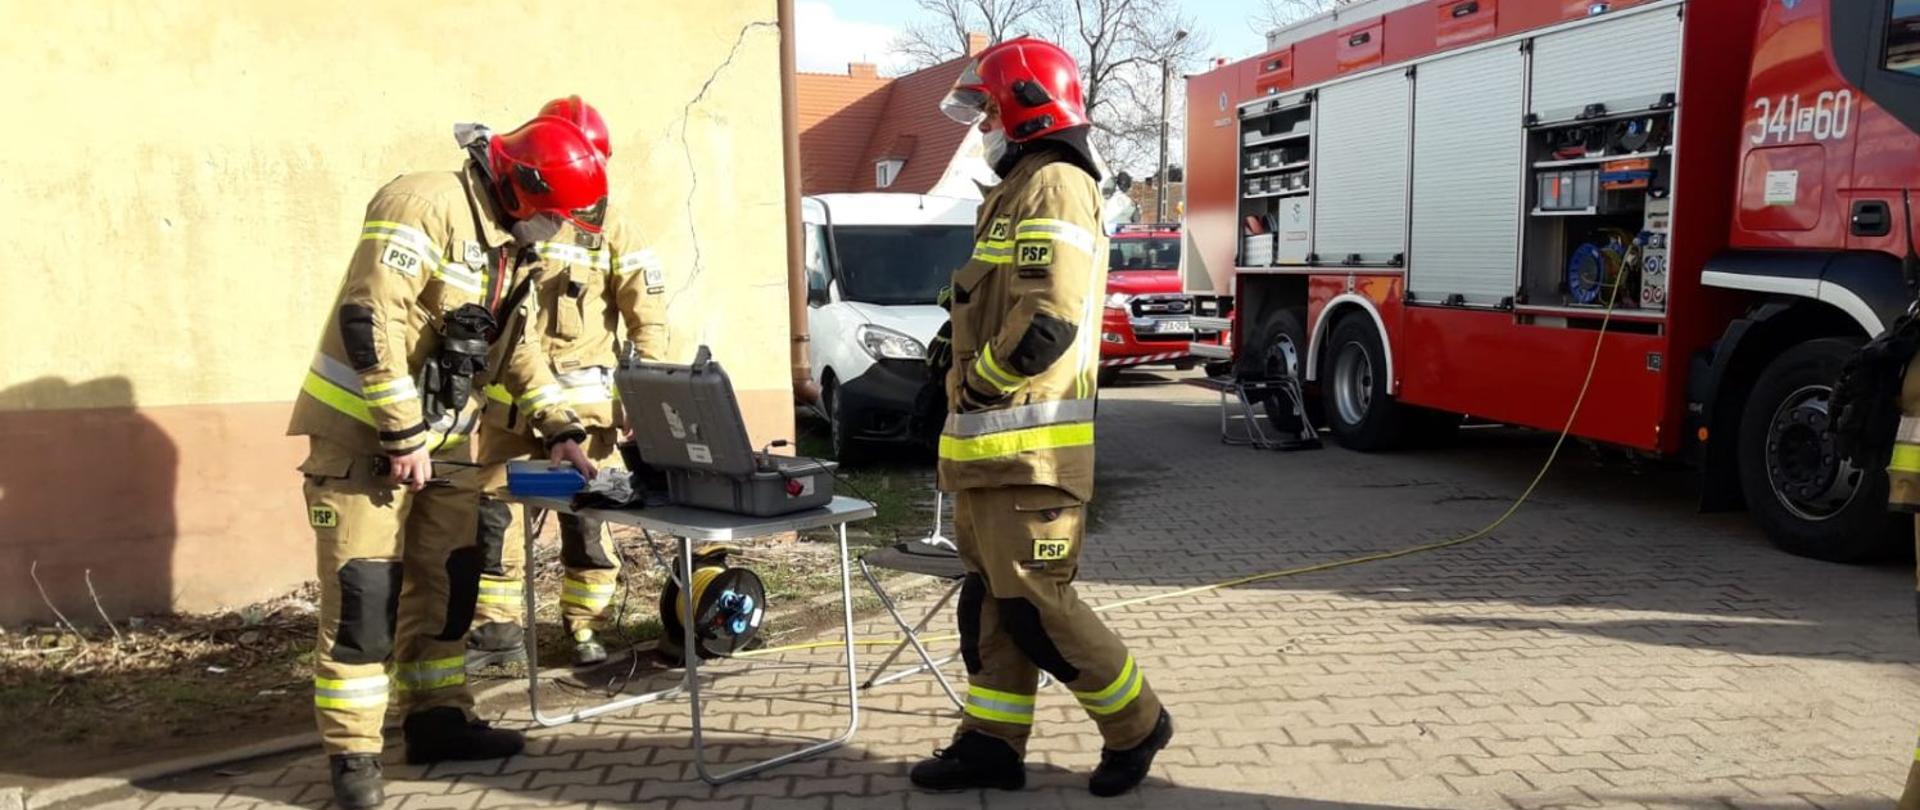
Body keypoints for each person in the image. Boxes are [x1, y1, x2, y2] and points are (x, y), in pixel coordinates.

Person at [288, 110, 606, 810]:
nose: (557, 228)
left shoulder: (512, 246)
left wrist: (559, 425)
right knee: (364, 601)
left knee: (450, 587)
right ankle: (354, 759)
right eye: (551, 213)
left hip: (451, 444)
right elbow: (373, 315)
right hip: (364, 442)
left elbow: (516, 346)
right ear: (520, 188)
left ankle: (437, 722)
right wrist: (400, 433)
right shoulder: (424, 203)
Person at [910, 36, 1173, 797]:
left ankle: (1137, 723)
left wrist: (981, 385)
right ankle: (991, 743)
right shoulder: (1017, 186)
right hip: (991, 452)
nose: (981, 125)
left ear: (1026, 110)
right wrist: (942, 363)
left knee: (1035, 608)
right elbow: (987, 300)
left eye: (988, 109)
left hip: (1032, 454)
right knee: (992, 605)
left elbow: (1049, 316)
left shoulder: (1056, 183)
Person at [465, 96, 671, 668]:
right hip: (512, 411)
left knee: (588, 523)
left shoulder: (616, 230)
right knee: (492, 518)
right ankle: (496, 633)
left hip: (588, 419)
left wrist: (645, 399)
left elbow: (648, 320)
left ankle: (584, 628)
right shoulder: (516, 220)